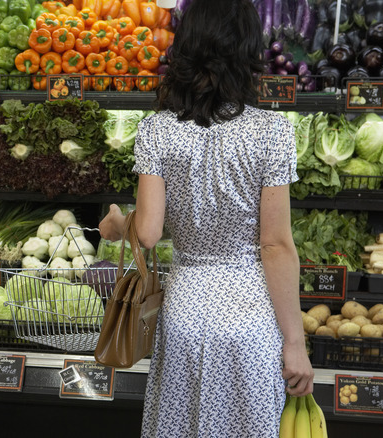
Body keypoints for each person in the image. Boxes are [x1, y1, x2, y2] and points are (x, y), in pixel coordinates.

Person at [98, 0, 314, 436]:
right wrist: (295, 343)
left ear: (186, 48)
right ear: (248, 51)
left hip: (184, 312)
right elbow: (274, 245)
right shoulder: (272, 132)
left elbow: (149, 232)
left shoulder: (158, 129)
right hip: (251, 316)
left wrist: (118, 223)